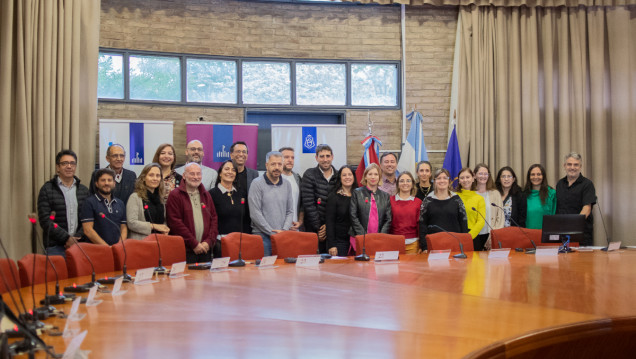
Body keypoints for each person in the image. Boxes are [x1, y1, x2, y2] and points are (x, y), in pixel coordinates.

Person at [37, 150, 90, 257]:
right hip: (55, 246)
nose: (69, 166)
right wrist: (66, 238)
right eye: (65, 163)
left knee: (81, 274)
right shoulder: (47, 189)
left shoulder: (84, 190)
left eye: (72, 163)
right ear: (58, 167)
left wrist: (77, 238)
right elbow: (45, 220)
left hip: (79, 245)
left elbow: (87, 218)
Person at [166, 163, 218, 263]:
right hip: (186, 251)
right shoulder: (175, 195)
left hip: (205, 249)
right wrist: (194, 244)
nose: (195, 177)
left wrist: (208, 242)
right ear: (184, 176)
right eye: (192, 174)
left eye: (198, 174)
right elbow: (175, 223)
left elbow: (214, 219)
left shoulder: (206, 195)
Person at [248, 151, 293, 256]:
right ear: (266, 165)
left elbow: (290, 211)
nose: (277, 167)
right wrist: (272, 232)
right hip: (262, 237)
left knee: (282, 270)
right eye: (273, 164)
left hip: (282, 236)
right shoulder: (256, 183)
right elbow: (255, 213)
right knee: (265, 271)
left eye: (279, 164)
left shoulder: (287, 184)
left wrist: (284, 231)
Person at [418, 169, 469, 252]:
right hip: (434, 244)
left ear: (449, 181)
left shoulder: (456, 199)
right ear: (434, 181)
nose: (442, 181)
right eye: (439, 178)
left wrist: (464, 243)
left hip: (454, 243)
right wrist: (425, 247)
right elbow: (422, 225)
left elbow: (463, 222)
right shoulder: (427, 200)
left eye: (445, 178)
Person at [301, 144, 337, 253]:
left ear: (332, 157)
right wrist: (320, 228)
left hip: (334, 229)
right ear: (316, 158)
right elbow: (308, 204)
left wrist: (329, 227)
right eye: (322, 156)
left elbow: (340, 205)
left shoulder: (339, 175)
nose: (325, 159)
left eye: (327, 156)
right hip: (313, 229)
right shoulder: (309, 174)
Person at [555, 152, 597, 246]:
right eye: (569, 164)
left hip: (581, 233)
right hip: (562, 233)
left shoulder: (587, 184)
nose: (572, 167)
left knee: (582, 261)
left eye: (576, 165)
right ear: (564, 166)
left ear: (580, 166)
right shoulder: (560, 184)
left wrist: (573, 225)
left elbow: (587, 209)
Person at [81, 168, 127, 246]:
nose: (106, 183)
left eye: (109, 180)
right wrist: (107, 248)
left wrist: (119, 245)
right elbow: (88, 230)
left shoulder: (120, 203)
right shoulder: (89, 202)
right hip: (97, 250)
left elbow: (123, 228)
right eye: (103, 180)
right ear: (97, 184)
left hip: (117, 249)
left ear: (114, 183)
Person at [126, 163, 170, 240]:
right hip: (141, 243)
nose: (155, 178)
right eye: (151, 175)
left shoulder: (160, 198)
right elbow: (131, 223)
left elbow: (164, 220)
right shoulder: (135, 197)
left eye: (158, 175)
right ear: (143, 178)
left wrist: (165, 229)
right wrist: (154, 226)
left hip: (159, 242)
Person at [210, 160, 251, 235]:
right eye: (226, 169)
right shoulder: (211, 194)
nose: (230, 172)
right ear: (220, 174)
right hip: (220, 240)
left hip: (241, 240)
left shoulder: (242, 194)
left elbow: (247, 220)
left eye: (233, 170)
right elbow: (210, 221)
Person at [350, 163, 392, 236]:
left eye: (376, 174)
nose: (373, 177)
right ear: (365, 176)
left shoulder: (385, 196)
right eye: (370, 174)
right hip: (359, 237)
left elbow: (388, 219)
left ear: (379, 177)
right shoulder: (357, 193)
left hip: (379, 238)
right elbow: (353, 216)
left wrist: (381, 235)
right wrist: (363, 236)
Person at [325, 166, 358, 256]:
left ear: (354, 177)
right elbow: (330, 222)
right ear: (340, 178)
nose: (347, 177)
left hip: (357, 241)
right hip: (340, 243)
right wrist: (332, 245)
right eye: (344, 175)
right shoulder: (334, 197)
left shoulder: (359, 195)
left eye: (350, 174)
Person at [472, 164, 504, 250]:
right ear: (474, 175)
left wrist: (494, 235)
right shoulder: (470, 193)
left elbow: (500, 217)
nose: (483, 176)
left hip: (491, 234)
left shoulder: (495, 194)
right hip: (474, 236)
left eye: (485, 174)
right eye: (480, 173)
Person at [390, 171, 422, 254]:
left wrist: (422, 244)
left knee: (411, 267)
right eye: (402, 181)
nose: (405, 183)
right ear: (397, 184)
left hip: (413, 244)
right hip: (394, 243)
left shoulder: (418, 202)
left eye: (408, 181)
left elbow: (420, 225)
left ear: (412, 184)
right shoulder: (390, 201)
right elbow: (388, 222)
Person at [454, 167, 486, 246]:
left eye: (468, 177)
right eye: (462, 178)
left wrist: (469, 236)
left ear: (473, 178)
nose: (465, 180)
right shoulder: (453, 196)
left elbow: (481, 221)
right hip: (455, 235)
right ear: (459, 180)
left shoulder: (479, 199)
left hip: (473, 237)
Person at [524, 164, 556, 229]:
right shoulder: (524, 195)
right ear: (529, 177)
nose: (536, 177)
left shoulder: (551, 193)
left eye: (539, 174)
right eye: (532, 174)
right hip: (527, 234)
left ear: (543, 176)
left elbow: (554, 216)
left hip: (545, 234)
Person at [279, 147, 303, 231]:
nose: (290, 160)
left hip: (295, 228)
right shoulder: (274, 178)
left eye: (292, 157)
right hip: (278, 229)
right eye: (286, 157)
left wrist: (300, 221)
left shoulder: (298, 178)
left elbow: (302, 204)